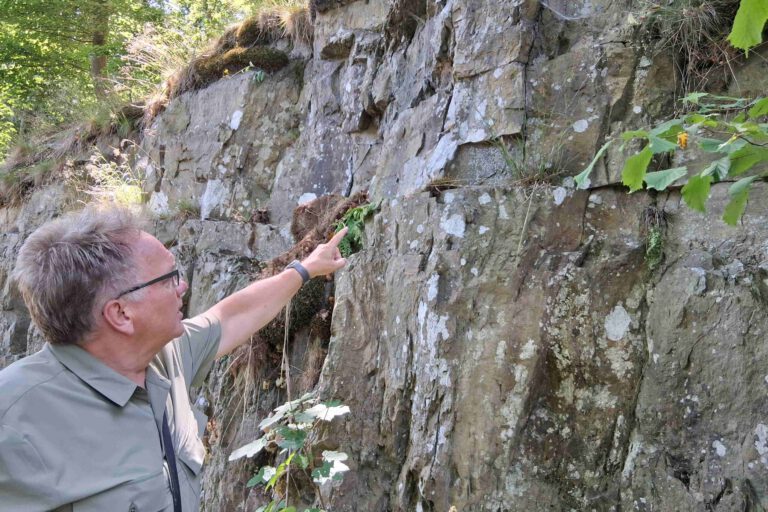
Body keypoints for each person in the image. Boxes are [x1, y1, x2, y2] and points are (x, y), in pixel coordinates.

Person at [0, 204, 348, 511]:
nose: (183, 287)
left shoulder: (164, 358)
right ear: (121, 314)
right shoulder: (14, 415)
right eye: (169, 278)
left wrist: (304, 269)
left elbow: (230, 316)